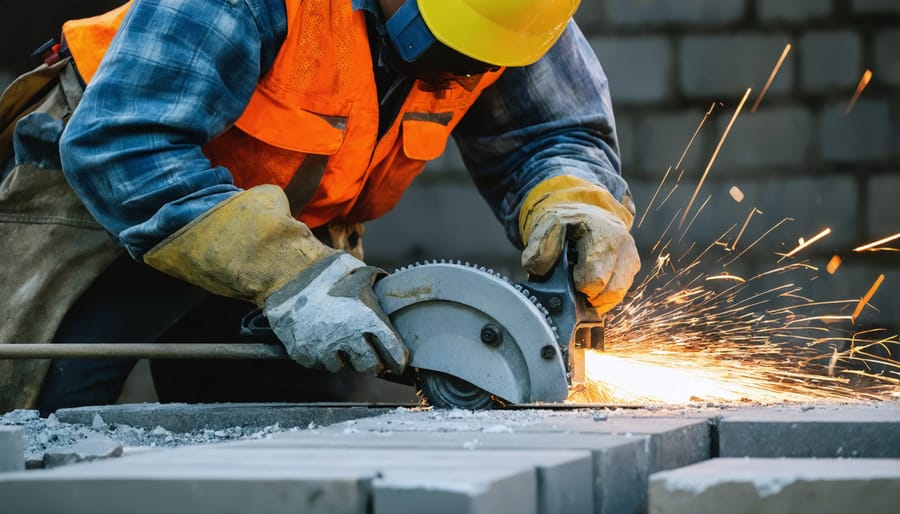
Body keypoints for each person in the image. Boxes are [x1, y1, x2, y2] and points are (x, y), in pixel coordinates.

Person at [0, 0, 640, 414]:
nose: (456, 75)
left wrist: (573, 201)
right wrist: (287, 272)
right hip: (98, 213)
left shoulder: (514, 16)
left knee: (300, 432)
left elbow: (553, 133)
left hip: (287, 237)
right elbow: (123, 141)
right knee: (48, 431)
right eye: (446, 45)